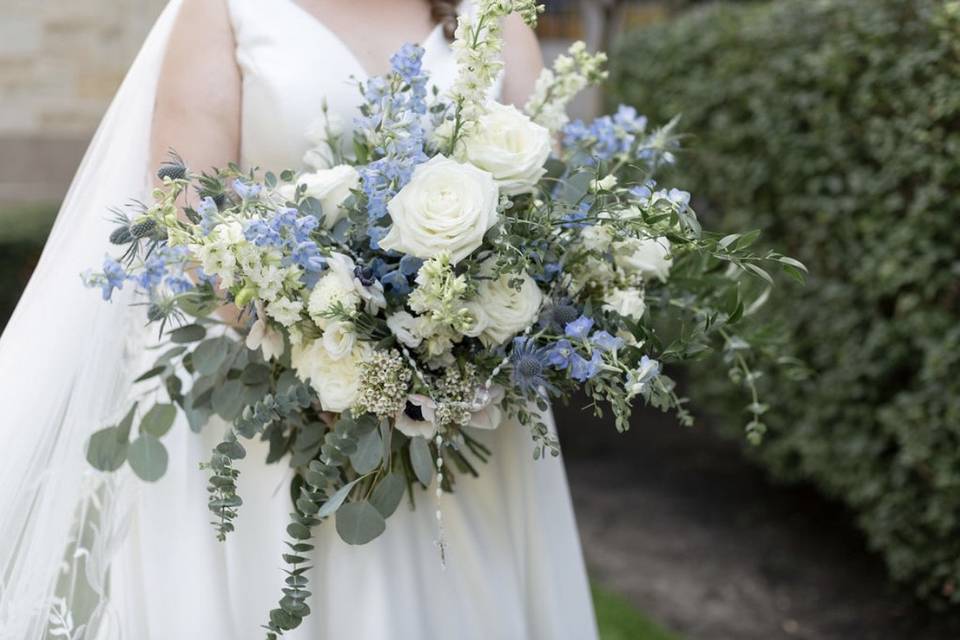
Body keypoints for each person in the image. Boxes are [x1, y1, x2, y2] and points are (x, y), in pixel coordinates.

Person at [0, 1, 598, 638]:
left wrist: (453, 344)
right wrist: (331, 346)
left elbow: (544, 227)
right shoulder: (225, 10)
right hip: (264, 415)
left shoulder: (497, 19)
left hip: (465, 432)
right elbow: (183, 214)